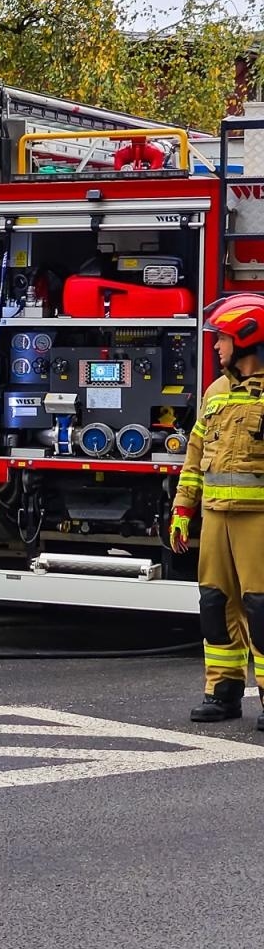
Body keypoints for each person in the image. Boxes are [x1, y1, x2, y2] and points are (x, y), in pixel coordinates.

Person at [171, 293, 264, 723]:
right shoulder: (217, 391)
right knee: (214, 604)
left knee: (261, 608)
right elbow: (195, 454)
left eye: (222, 338)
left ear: (248, 338)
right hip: (214, 517)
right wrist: (182, 509)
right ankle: (222, 690)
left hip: (258, 520)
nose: (215, 346)